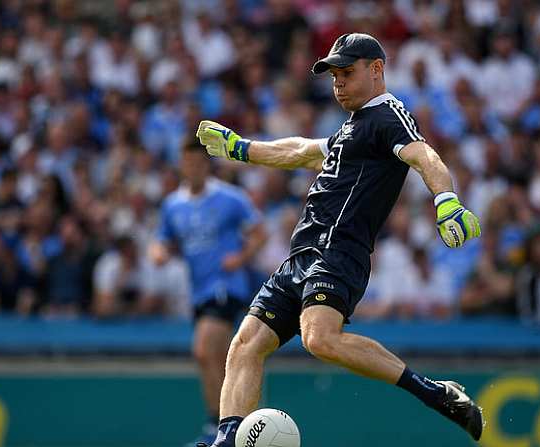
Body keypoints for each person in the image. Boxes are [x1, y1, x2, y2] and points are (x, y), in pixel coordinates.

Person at [194, 33, 484, 446]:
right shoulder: (353, 127)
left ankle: (435, 393)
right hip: (301, 255)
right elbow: (303, 151)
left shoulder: (388, 116)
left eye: (347, 72)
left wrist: (446, 199)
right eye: (334, 75)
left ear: (377, 69)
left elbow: (424, 155)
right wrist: (242, 148)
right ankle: (227, 440)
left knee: (319, 338)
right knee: (245, 344)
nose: (338, 83)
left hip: (339, 252)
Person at [149, 139, 267, 445]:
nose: (192, 168)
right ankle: (243, 423)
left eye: (197, 162)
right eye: (186, 163)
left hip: (226, 286)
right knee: (221, 358)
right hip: (198, 291)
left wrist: (240, 258)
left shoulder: (230, 198)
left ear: (206, 164)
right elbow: (162, 239)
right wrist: (159, 252)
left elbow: (259, 233)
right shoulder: (172, 205)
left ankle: (217, 426)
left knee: (203, 349)